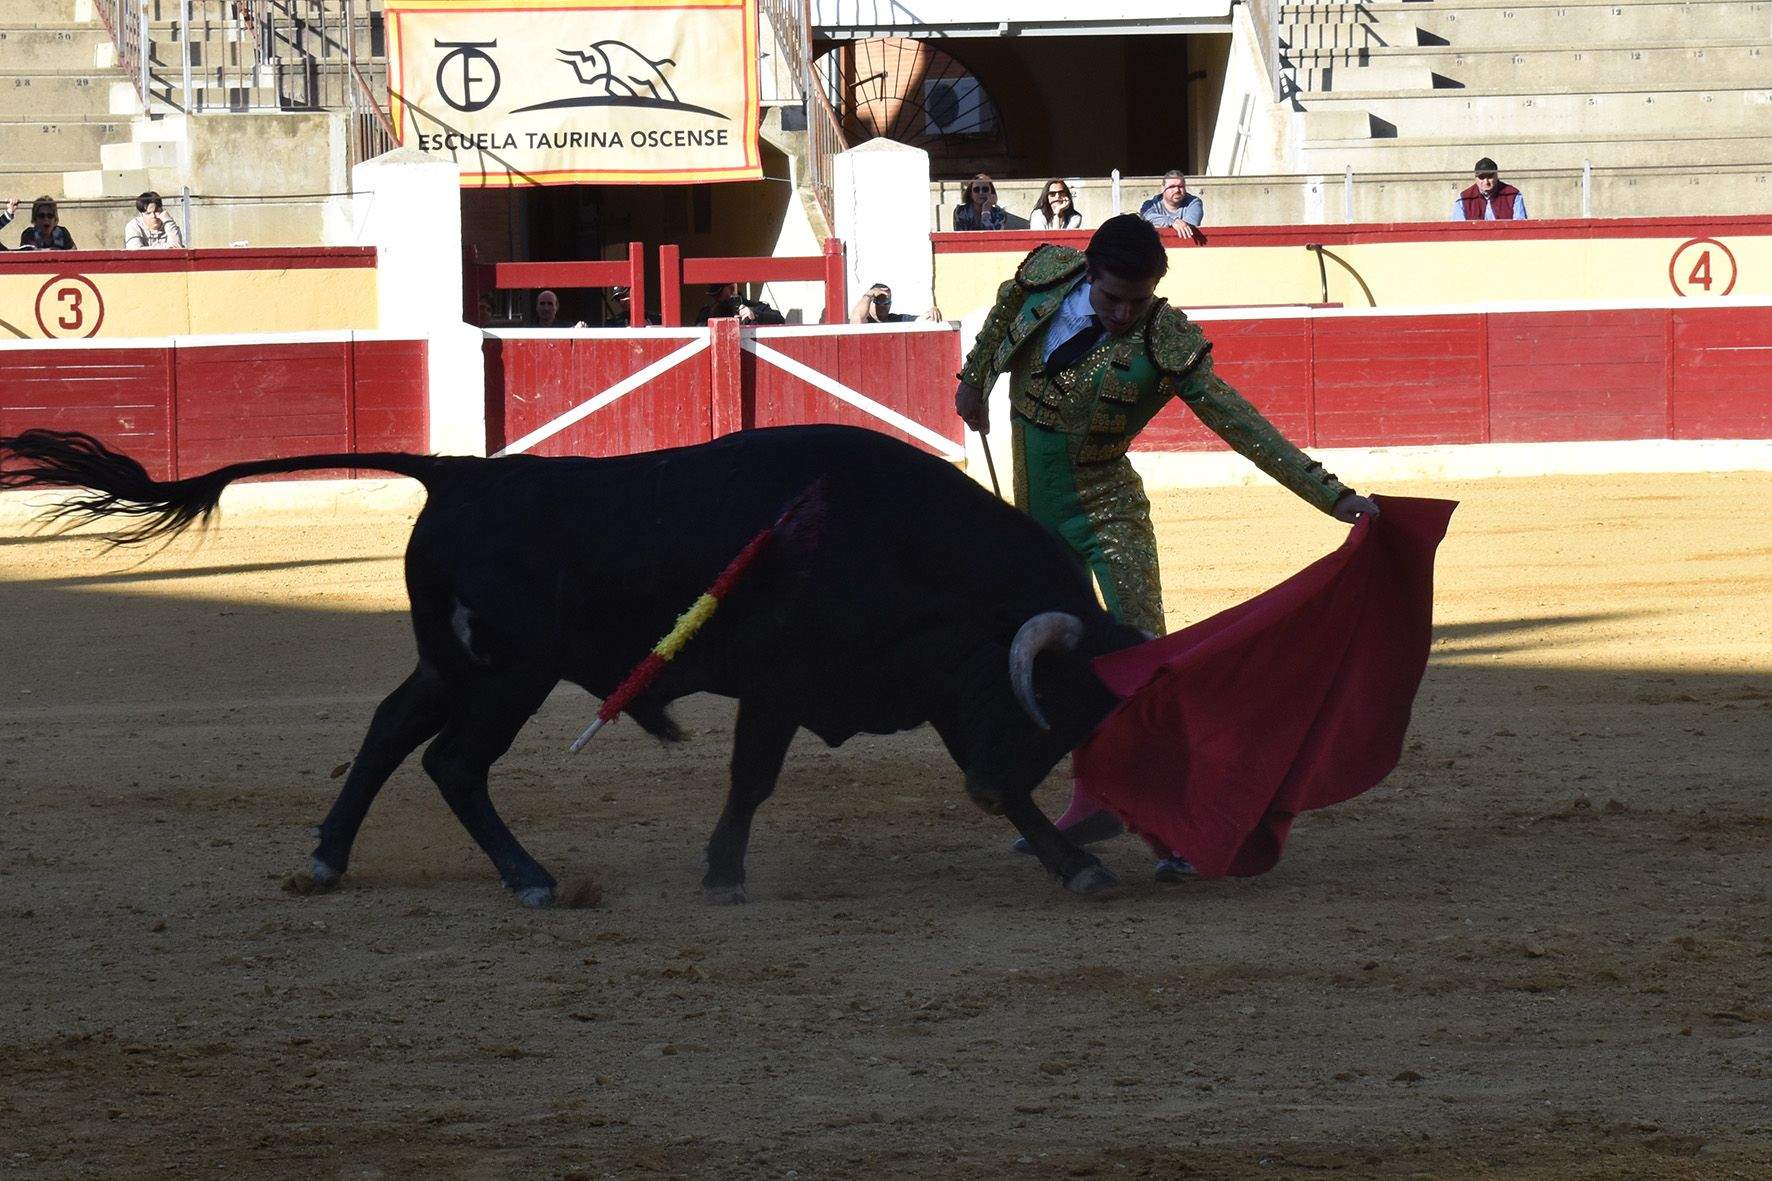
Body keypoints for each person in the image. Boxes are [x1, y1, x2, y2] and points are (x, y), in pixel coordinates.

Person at [953, 214, 1378, 880]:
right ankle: (1094, 800)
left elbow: (1238, 421)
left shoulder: (1166, 340)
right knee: (1058, 668)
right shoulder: (1045, 277)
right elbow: (1004, 308)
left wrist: (1331, 494)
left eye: (1138, 300)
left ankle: (1182, 824)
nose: (1124, 313)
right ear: (1087, 275)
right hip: (1034, 526)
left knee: (1141, 667)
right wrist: (973, 379)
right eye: (1112, 297)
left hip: (1108, 513)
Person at [1452, 156, 1527, 221]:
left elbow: (1520, 227)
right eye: (1482, 177)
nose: (1486, 182)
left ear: (1496, 175)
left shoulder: (1513, 195)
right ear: (1475, 178)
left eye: (1490, 176)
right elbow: (1458, 230)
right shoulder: (1463, 199)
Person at [1138, 170, 1204, 241]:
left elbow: (1189, 224)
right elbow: (1146, 217)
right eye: (1172, 187)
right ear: (1162, 188)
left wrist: (1160, 223)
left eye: (1180, 186)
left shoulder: (1194, 203)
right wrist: (1172, 222)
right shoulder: (1150, 205)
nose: (1177, 190)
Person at [694, 282, 785, 326]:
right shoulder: (708, 312)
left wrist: (755, 315)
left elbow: (780, 320)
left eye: (719, 293)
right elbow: (698, 331)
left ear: (732, 288)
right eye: (714, 295)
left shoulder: (754, 307)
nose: (716, 298)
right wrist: (713, 316)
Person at [848, 282, 941, 325]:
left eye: (886, 302)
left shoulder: (897, 320)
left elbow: (923, 321)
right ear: (870, 303)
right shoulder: (866, 320)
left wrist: (932, 312)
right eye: (878, 301)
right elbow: (856, 321)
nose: (883, 306)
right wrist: (868, 295)